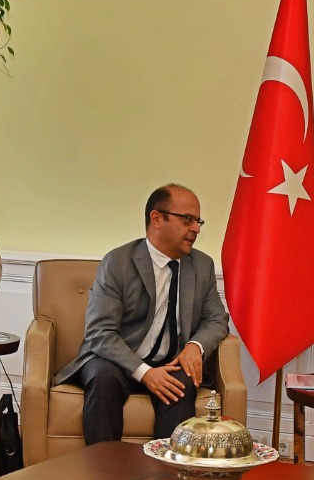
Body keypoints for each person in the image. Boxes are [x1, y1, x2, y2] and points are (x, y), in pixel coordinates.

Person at [53, 184, 229, 442]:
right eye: (187, 220)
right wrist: (144, 372)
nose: (196, 228)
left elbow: (216, 319)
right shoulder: (118, 262)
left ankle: (165, 466)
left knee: (182, 383)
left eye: (198, 221)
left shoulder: (202, 265)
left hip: (170, 362)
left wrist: (196, 345)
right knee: (103, 377)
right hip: (117, 360)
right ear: (156, 219)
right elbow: (99, 332)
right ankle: (102, 465)